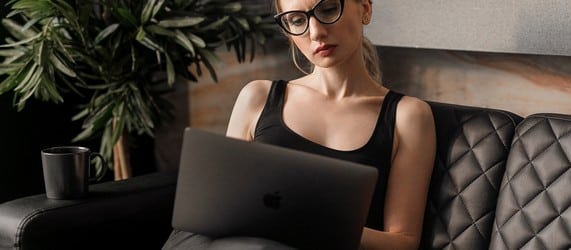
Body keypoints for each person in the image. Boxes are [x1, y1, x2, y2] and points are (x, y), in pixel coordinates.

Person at [164, 0, 436, 249]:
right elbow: (221, 207)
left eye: (328, 9)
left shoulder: (408, 116)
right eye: (297, 20)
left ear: (365, 8)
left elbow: (403, 242)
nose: (315, 32)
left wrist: (312, 226)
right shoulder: (257, 97)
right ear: (288, 31)